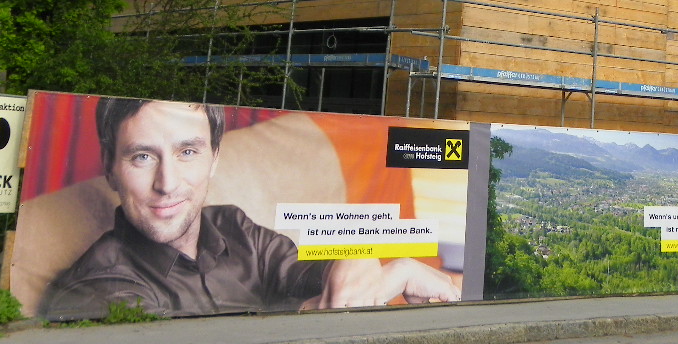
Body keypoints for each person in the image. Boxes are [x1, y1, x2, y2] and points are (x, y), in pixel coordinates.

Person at [41, 98, 460, 320]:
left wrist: (354, 263)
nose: (167, 183)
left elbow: (302, 273)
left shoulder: (233, 226)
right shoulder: (99, 288)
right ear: (110, 167)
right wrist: (336, 305)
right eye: (142, 157)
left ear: (214, 159)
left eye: (187, 152)